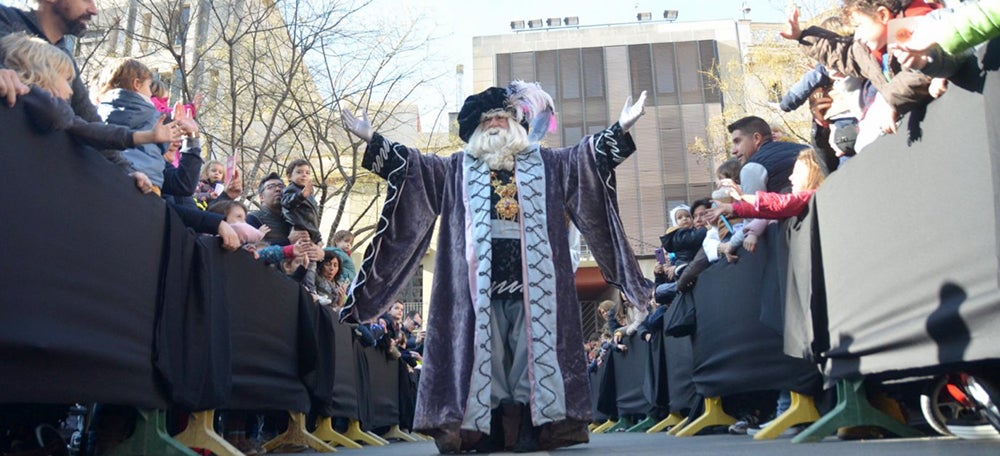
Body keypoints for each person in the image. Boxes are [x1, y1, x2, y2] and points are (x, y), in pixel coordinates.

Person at [340, 80, 650, 453]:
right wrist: (372, 139)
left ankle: (526, 430)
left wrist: (621, 128)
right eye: (487, 120)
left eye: (502, 118)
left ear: (517, 123)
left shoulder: (548, 164)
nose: (495, 125)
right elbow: (413, 170)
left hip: (535, 284)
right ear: (475, 130)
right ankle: (488, 432)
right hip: (475, 286)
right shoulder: (456, 168)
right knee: (488, 358)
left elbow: (585, 160)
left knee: (527, 358)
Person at [891, 0, 1000, 77]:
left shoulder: (920, 15)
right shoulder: (933, 18)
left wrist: (940, 34)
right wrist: (926, 61)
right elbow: (964, 52)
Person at [281, 158, 322, 295]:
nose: (304, 175)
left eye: (307, 172)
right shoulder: (290, 190)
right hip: (299, 230)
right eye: (299, 172)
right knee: (304, 261)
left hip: (310, 233)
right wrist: (301, 195)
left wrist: (318, 237)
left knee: (312, 262)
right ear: (289, 176)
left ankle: (311, 289)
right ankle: (308, 290)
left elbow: (313, 219)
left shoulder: (310, 195)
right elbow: (288, 203)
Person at [248, 172, 293, 245]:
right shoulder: (253, 219)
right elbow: (250, 249)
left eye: (281, 186)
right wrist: (289, 241)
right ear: (261, 197)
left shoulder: (293, 218)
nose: (278, 189)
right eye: (270, 187)